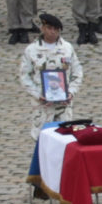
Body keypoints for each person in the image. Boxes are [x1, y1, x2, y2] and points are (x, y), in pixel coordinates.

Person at [20, 11, 82, 143]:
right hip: (43, 106)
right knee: (42, 141)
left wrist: (71, 92)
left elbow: (77, 73)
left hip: (63, 106)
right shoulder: (32, 50)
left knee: (64, 141)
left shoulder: (67, 48)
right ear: (42, 28)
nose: (52, 32)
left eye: (56, 29)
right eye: (49, 28)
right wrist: (37, 94)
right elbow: (24, 76)